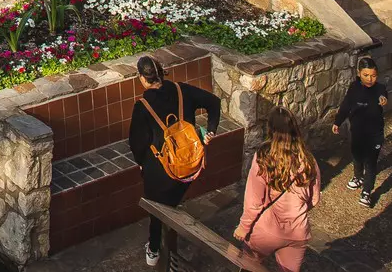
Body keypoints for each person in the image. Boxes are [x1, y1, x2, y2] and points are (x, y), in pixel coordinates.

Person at [128, 55, 222, 268]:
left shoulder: (142, 107)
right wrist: (211, 131)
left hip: (162, 171)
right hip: (190, 163)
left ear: (142, 78)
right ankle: (170, 226)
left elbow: (137, 143)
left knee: (156, 208)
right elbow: (214, 102)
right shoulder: (182, 91)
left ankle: (154, 250)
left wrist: (142, 163)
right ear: (161, 72)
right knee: (171, 201)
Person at [235, 109, 318, 271]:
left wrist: (243, 227)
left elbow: (254, 201)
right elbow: (314, 200)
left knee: (248, 266)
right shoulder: (309, 159)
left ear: (270, 129)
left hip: (266, 231)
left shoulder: (263, 157)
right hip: (297, 232)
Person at [332, 56, 388, 208]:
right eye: (366, 75)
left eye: (373, 75)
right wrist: (338, 121)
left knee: (370, 163)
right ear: (358, 74)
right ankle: (358, 177)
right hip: (357, 131)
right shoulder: (353, 88)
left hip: (375, 133)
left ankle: (367, 192)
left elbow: (383, 96)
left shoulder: (380, 88)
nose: (370, 79)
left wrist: (383, 99)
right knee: (357, 156)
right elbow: (345, 106)